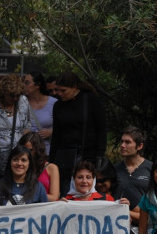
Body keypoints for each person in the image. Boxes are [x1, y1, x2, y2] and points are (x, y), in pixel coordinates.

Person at [49, 71, 106, 199]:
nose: (59, 94)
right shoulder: (58, 105)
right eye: (58, 90)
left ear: (75, 88)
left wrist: (100, 154)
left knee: (86, 193)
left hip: (87, 155)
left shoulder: (90, 100)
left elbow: (101, 129)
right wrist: (51, 161)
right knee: (66, 194)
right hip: (64, 157)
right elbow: (56, 135)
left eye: (63, 90)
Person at [0, 74, 35, 182]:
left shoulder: (23, 101)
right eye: (11, 95)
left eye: (17, 95)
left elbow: (27, 124)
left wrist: (23, 146)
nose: (15, 98)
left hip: (16, 154)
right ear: (3, 93)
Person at [17, 131, 60, 201]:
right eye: (24, 150)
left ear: (38, 150)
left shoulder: (51, 168)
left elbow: (54, 197)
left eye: (30, 150)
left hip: (45, 208)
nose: (26, 153)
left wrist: (30, 195)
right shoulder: (19, 166)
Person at [24, 71, 57, 154]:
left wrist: (52, 132)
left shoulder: (54, 103)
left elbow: (64, 126)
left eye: (27, 83)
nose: (24, 86)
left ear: (37, 85)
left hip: (47, 151)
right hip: (27, 152)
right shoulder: (21, 103)